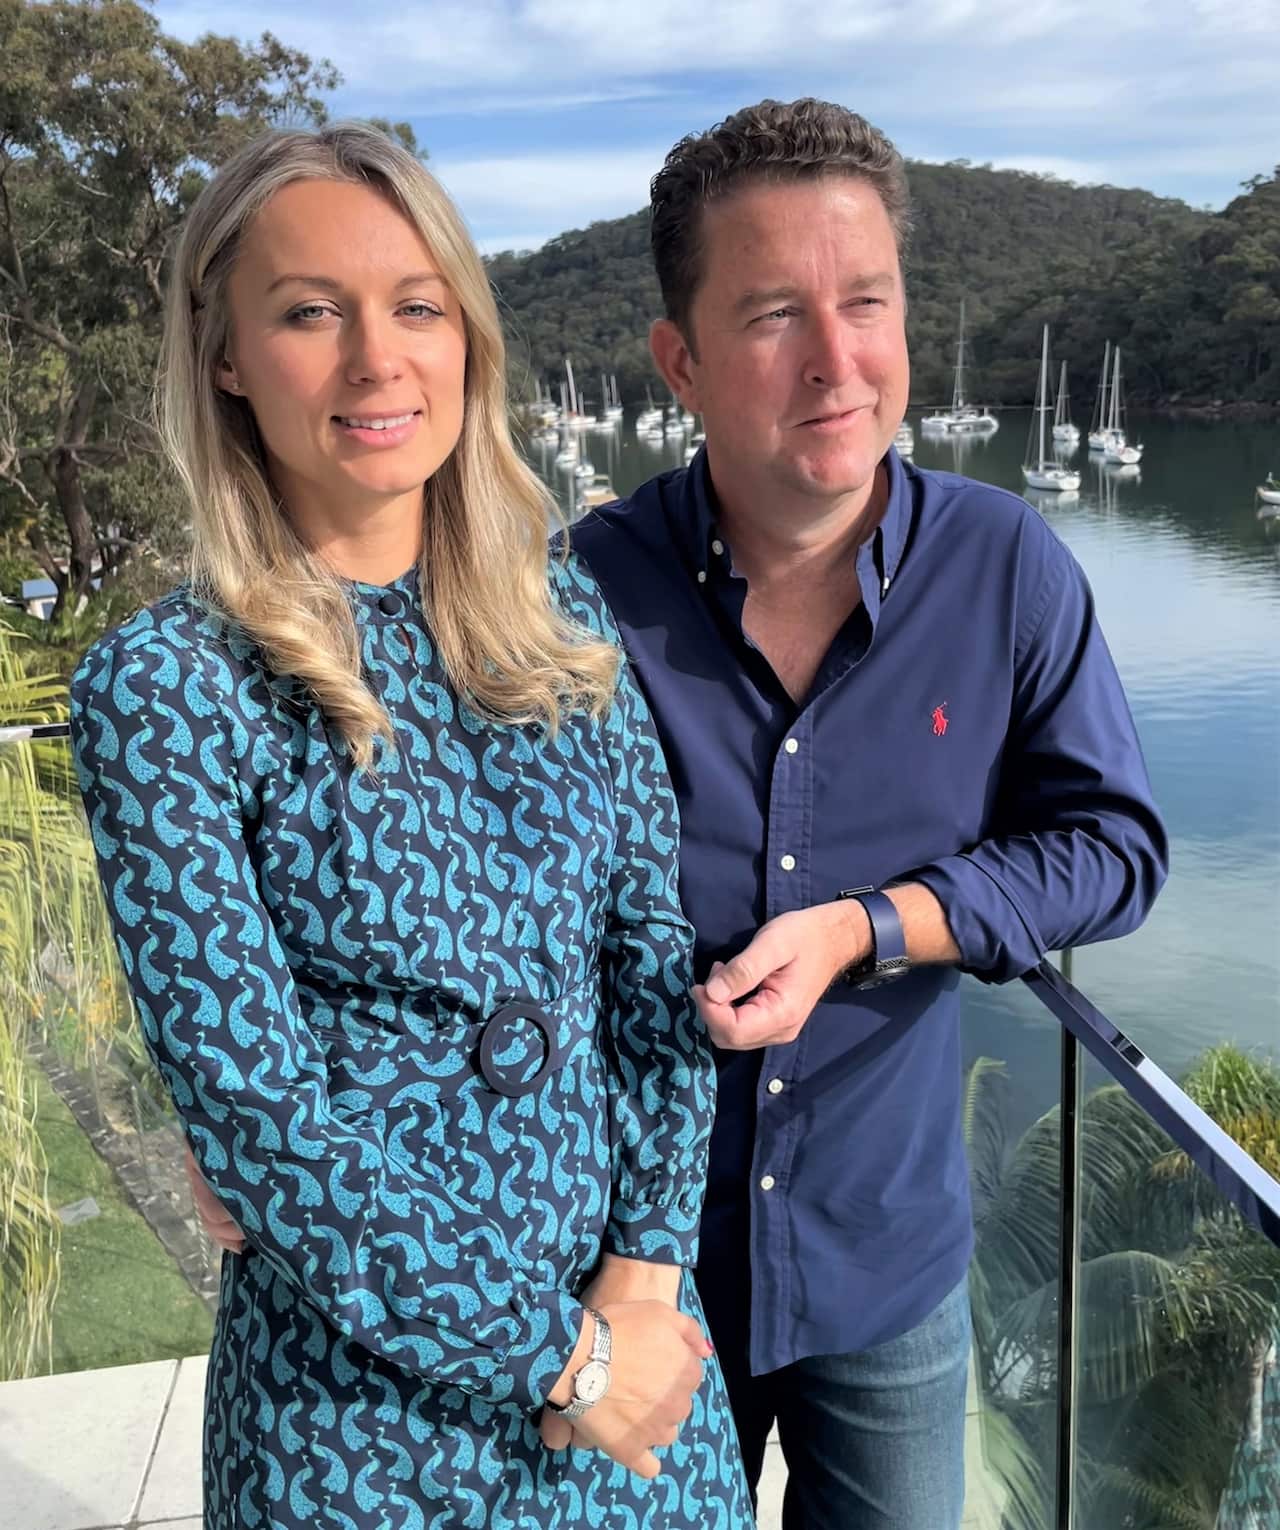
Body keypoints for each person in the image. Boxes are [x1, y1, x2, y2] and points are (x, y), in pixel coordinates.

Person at [69, 122, 753, 1530]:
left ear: (466, 342)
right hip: (360, 1420)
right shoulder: (168, 688)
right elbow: (263, 1127)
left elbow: (651, 981)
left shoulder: (566, 636)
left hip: (629, 1387)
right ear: (225, 355)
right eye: (311, 311)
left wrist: (642, 1267)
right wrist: (560, 1359)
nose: (378, 358)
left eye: (417, 305)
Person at [568, 99, 1168, 1529]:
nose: (838, 360)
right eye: (776, 313)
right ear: (682, 361)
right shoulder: (579, 592)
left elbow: (1114, 847)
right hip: (640, 1266)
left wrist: (873, 924)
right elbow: (453, 889)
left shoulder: (1008, 570)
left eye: (868, 302)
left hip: (884, 1259)